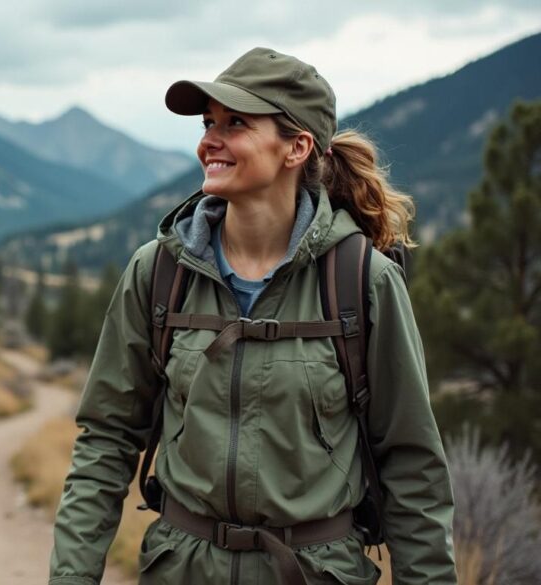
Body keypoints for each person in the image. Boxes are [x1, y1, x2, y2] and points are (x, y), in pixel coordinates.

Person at [48, 48, 457, 585]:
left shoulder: (362, 281)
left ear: (297, 147)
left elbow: (412, 466)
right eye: (208, 122)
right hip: (180, 570)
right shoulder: (161, 272)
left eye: (235, 122)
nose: (209, 140)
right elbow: (106, 439)